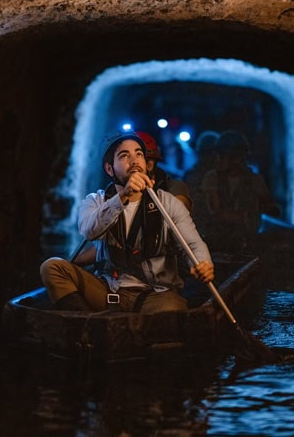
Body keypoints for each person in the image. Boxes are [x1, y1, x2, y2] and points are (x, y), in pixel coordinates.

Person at [40, 131, 215, 312]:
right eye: (124, 156)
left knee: (173, 308)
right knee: (52, 267)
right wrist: (123, 196)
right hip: (109, 290)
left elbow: (193, 244)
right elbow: (89, 231)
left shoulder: (167, 202)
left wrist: (203, 263)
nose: (134, 161)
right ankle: (86, 328)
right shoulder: (95, 201)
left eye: (139, 154)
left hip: (156, 294)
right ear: (110, 169)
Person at [201, 130, 280, 253]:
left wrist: (267, 208)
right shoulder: (212, 178)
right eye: (221, 156)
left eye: (224, 156)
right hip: (219, 241)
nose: (220, 160)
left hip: (248, 240)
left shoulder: (254, 180)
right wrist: (244, 216)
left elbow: (269, 205)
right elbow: (215, 212)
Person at [135, 131, 193, 212]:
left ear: (149, 165)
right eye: (123, 157)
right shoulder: (115, 191)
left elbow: (179, 214)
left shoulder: (173, 187)